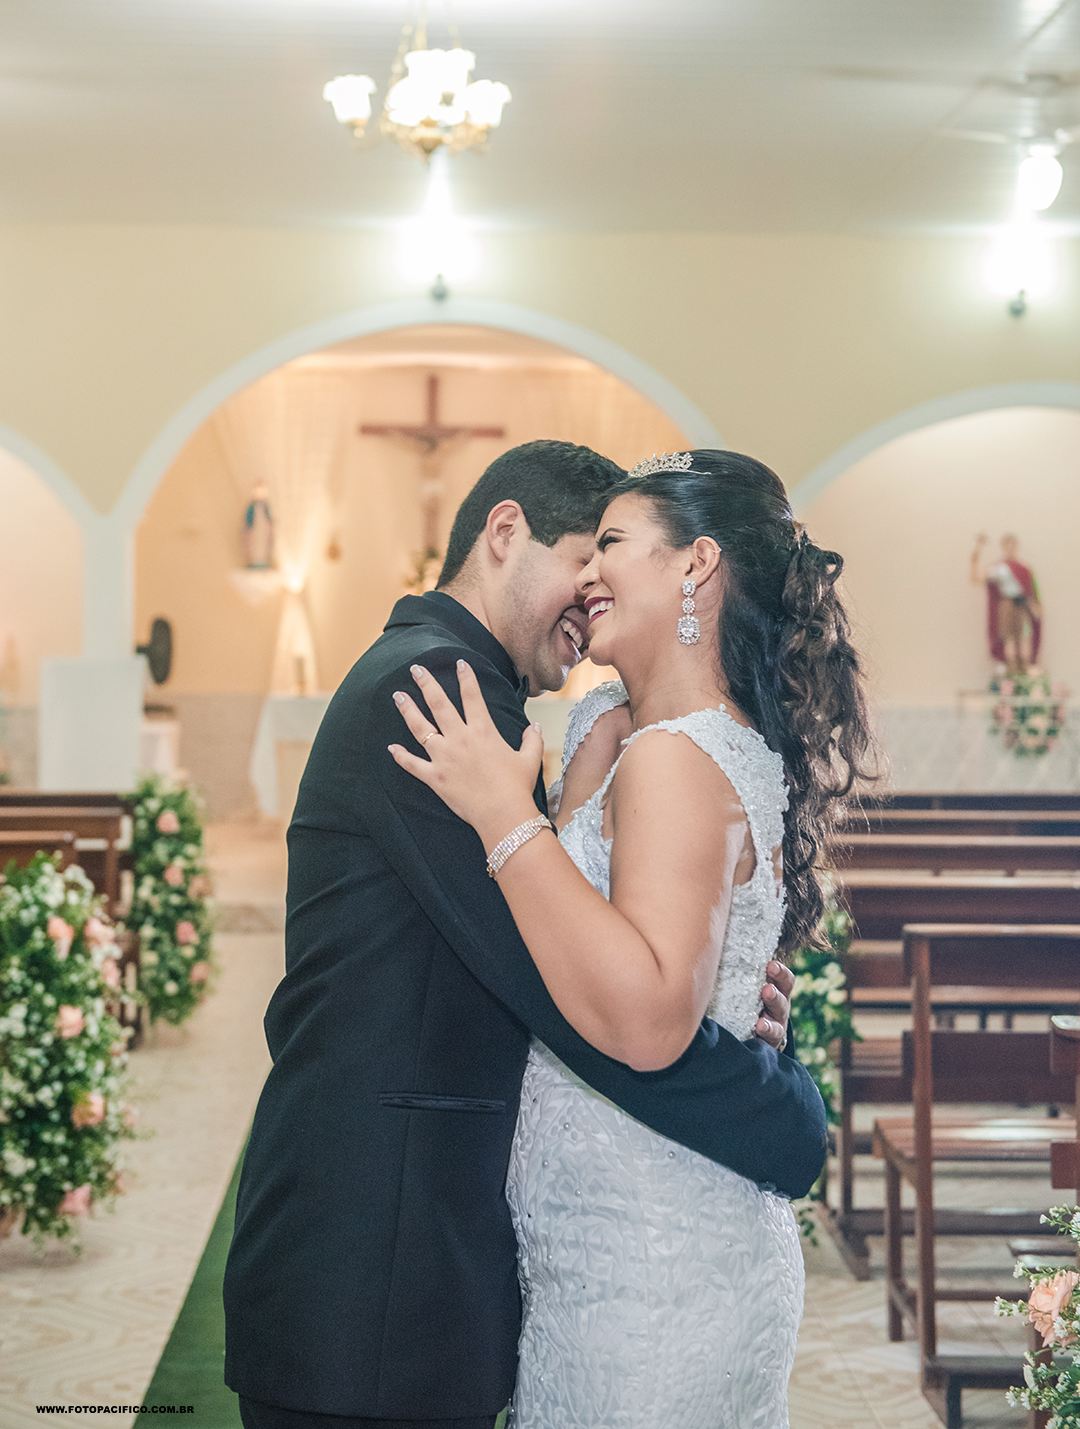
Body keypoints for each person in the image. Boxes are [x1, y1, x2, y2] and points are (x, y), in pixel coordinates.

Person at [223, 440, 827, 1429]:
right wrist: (781, 1108)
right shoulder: (436, 694)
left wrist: (715, 981)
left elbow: (599, 960)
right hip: (376, 1272)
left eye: (612, 555)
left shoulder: (528, 709)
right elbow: (566, 989)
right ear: (506, 532)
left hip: (456, 1272)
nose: (590, 593)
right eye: (586, 556)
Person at [391, 448, 877, 1428]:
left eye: (612, 542)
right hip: (609, 1245)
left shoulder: (676, 757)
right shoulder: (645, 736)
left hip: (652, 1260)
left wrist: (503, 815)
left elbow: (652, 1019)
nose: (590, 571)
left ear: (696, 564)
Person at [969, 532, 1042, 672]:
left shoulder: (1024, 567)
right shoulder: (1000, 568)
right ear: (1003, 547)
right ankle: (1012, 670)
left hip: (1023, 607)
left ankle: (1027, 667)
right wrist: (976, 551)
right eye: (1007, 545)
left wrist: (1034, 606)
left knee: (1025, 636)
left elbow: (1031, 590)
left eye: (1013, 545)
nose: (1010, 548)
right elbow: (976, 578)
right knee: (1010, 638)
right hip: (1008, 606)